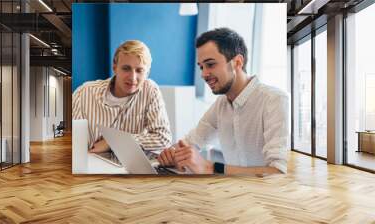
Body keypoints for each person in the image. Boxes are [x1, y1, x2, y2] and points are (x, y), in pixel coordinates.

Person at [158, 28, 290, 175]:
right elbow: (193, 141)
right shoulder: (221, 104)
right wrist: (171, 154)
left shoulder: (274, 100)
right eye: (201, 67)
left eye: (210, 64)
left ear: (237, 62)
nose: (203, 74)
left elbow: (277, 172)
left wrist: (211, 168)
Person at [72, 40, 172, 152]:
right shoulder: (84, 92)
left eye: (139, 70)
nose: (133, 78)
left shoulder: (150, 91)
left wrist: (113, 142)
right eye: (126, 68)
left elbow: (163, 138)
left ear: (147, 73)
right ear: (114, 67)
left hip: (129, 166)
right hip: (89, 160)